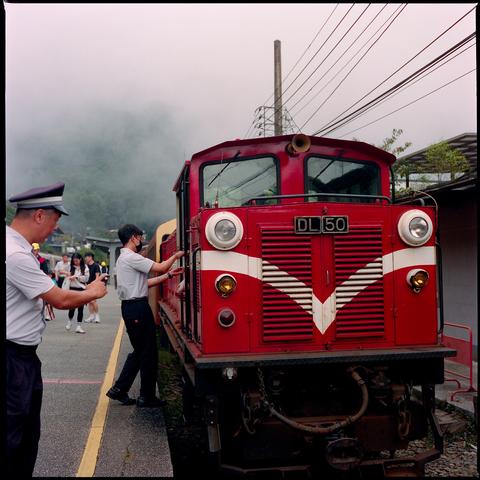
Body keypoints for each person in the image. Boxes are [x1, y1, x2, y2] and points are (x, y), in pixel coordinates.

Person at [6, 182, 107, 477]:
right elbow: (62, 298)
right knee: (14, 439)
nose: (53, 230)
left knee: (24, 436)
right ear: (39, 215)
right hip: (13, 362)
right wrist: (94, 292)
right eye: (54, 222)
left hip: (21, 359)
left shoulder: (16, 248)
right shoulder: (16, 255)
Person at [106, 224, 183, 407]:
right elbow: (161, 267)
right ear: (133, 237)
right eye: (140, 237)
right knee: (147, 353)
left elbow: (144, 283)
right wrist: (176, 256)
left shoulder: (123, 258)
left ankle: (120, 390)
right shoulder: (132, 257)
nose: (141, 241)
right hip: (138, 308)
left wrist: (170, 275)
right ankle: (144, 396)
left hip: (132, 307)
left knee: (141, 351)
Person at [65, 253, 90, 333]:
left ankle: (79, 326)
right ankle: (69, 321)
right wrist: (68, 276)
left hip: (81, 290)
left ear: (80, 259)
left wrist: (76, 277)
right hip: (72, 289)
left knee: (80, 308)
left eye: (77, 260)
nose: (75, 262)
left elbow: (86, 279)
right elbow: (66, 275)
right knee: (71, 307)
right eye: (74, 261)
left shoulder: (85, 267)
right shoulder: (70, 267)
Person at [84, 252, 101, 323]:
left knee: (93, 301)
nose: (85, 258)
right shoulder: (86, 266)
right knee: (89, 301)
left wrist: (95, 285)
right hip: (87, 285)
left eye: (86, 257)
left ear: (90, 257)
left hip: (94, 285)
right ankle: (91, 316)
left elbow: (97, 277)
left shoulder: (96, 266)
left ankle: (97, 316)